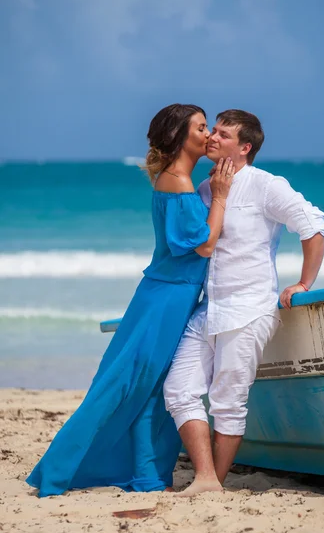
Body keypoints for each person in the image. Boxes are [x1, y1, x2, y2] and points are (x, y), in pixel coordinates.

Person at [26, 103, 234, 497]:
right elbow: (205, 245)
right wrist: (221, 195)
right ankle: (58, 471)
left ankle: (146, 476)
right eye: (202, 127)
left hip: (174, 297)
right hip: (164, 302)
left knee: (152, 387)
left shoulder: (181, 179)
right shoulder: (177, 181)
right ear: (179, 136)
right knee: (123, 383)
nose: (209, 135)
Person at [164, 109, 324, 497]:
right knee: (178, 389)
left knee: (227, 401)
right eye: (212, 131)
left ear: (245, 147)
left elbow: (313, 225)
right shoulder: (205, 189)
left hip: (250, 308)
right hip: (209, 310)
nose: (213, 138)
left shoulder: (265, 185)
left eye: (223, 134)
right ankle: (205, 478)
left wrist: (304, 283)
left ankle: (212, 483)